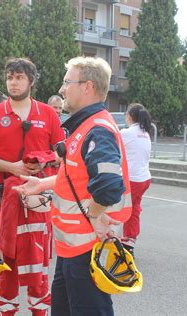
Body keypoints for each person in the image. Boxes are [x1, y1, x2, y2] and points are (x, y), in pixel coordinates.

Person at [13, 56, 132, 315]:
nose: (61, 89)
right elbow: (78, 177)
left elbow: (109, 186)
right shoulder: (85, 127)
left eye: (67, 82)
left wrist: (95, 214)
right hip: (72, 249)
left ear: (87, 86)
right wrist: (42, 183)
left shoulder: (96, 130)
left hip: (85, 248)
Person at [0, 57, 65, 316]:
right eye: (9, 77)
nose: (13, 82)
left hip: (38, 201)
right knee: (7, 263)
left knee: (37, 262)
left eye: (18, 77)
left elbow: (60, 153)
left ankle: (39, 311)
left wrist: (42, 164)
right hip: (5, 199)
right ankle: (7, 311)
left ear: (31, 81)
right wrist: (13, 167)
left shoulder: (48, 114)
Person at [120, 103, 152, 256]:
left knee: (128, 209)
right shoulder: (145, 133)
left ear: (130, 116)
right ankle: (128, 239)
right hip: (144, 178)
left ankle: (127, 242)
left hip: (133, 179)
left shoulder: (127, 133)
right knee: (134, 208)